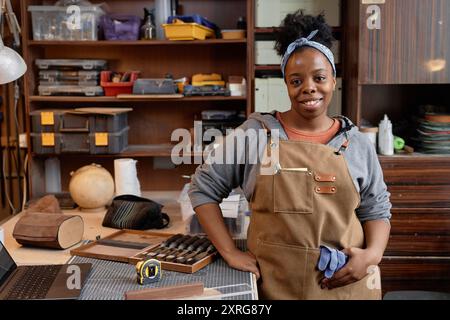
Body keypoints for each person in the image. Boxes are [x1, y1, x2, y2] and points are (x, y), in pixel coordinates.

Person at [188, 11, 391, 300]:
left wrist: (372, 254)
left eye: (319, 77)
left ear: (333, 79)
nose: (308, 87)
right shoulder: (255, 134)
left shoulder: (356, 143)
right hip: (274, 287)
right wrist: (230, 252)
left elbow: (377, 209)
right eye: (296, 80)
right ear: (286, 84)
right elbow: (202, 189)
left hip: (345, 286)